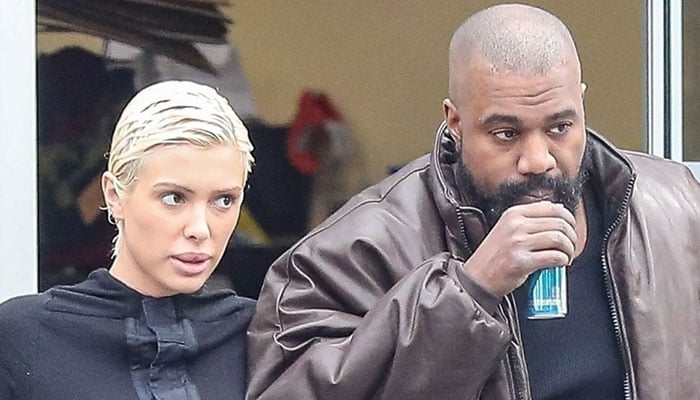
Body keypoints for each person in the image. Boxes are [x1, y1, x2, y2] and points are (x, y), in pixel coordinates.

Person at [246, 4, 700, 400]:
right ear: (456, 122)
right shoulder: (356, 251)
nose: (538, 160)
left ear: (581, 105)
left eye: (560, 127)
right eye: (506, 133)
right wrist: (470, 290)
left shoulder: (674, 207)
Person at [0, 80, 257, 400]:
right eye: (174, 198)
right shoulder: (26, 337)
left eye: (224, 200)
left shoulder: (263, 336)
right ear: (114, 195)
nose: (200, 229)